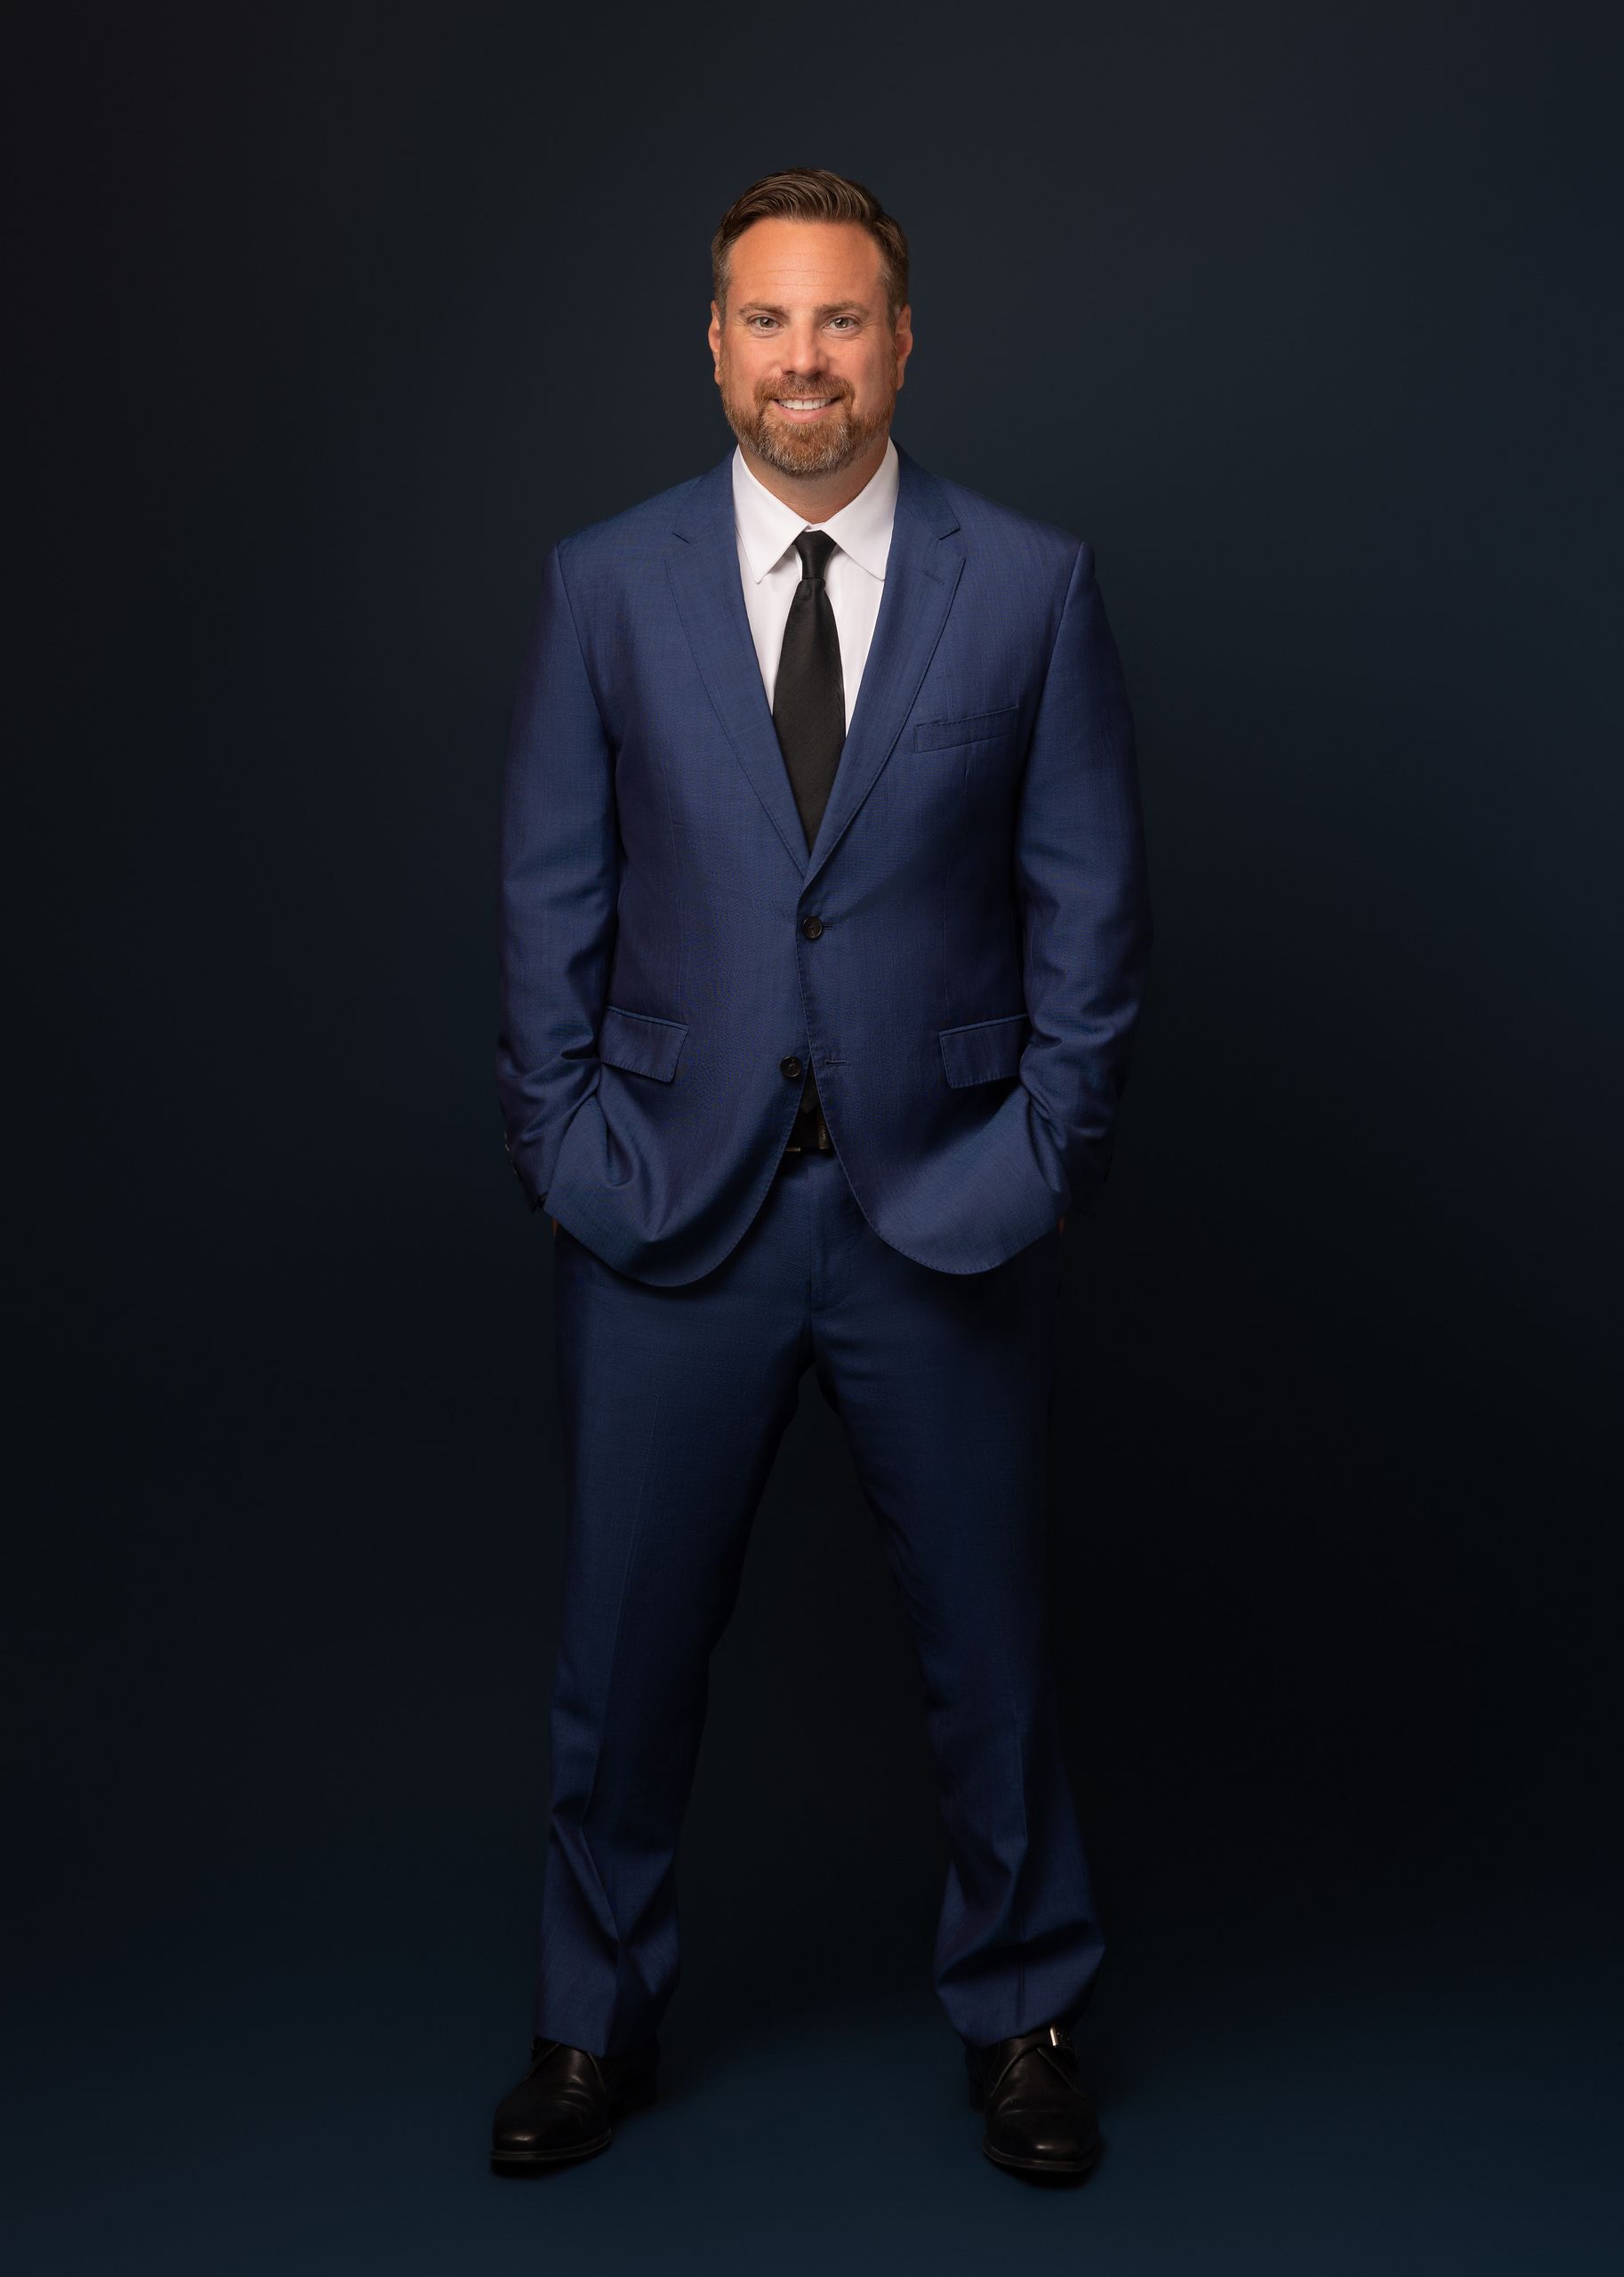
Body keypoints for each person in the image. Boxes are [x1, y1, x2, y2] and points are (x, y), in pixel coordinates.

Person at [490, 165, 1152, 2178]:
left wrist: (1038, 1154)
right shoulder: (602, 586)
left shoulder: (1026, 583)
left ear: (902, 343)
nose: (805, 361)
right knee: (623, 1659)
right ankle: (591, 2025)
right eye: (767, 322)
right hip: (664, 1212)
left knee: (989, 1658)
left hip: (943, 1208)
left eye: (841, 320)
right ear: (714, 347)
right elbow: (547, 901)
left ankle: (1025, 2015)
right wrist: (566, 1148)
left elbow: (1089, 909)